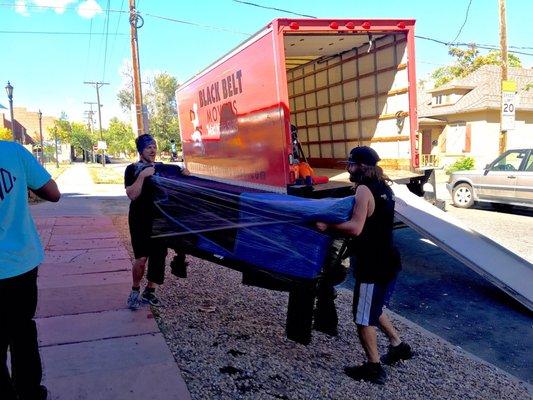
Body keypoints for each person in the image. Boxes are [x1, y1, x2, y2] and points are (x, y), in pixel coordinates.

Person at [316, 146, 412, 385]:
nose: (348, 169)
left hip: (373, 266)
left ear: (361, 166)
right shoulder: (385, 189)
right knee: (374, 308)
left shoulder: (363, 190)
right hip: (390, 261)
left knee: (362, 317)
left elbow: (355, 228)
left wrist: (328, 226)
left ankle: (373, 367)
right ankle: (399, 346)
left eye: (350, 164)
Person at [0, 140, 61, 400]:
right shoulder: (12, 152)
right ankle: (29, 393)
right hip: (19, 263)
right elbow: (54, 193)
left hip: (18, 264)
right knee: (22, 331)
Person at [125, 134, 189, 310]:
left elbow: (180, 176)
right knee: (141, 258)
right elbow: (132, 194)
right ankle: (135, 289)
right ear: (140, 151)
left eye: (154, 146)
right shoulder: (132, 169)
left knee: (159, 257)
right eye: (148, 147)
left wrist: (184, 173)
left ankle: (150, 291)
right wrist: (142, 177)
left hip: (160, 220)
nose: (153, 150)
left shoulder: (164, 168)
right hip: (139, 220)